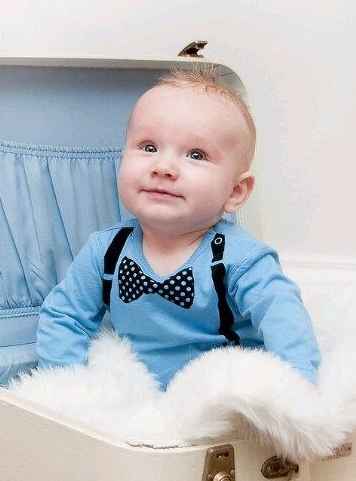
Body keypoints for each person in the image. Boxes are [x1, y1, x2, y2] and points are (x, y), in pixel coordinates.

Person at [37, 65, 321, 389]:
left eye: (196, 155)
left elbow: (283, 315)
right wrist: (68, 390)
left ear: (235, 191)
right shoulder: (106, 251)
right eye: (149, 147)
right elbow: (64, 316)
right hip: (137, 391)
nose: (163, 167)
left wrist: (298, 383)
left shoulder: (240, 259)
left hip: (220, 393)